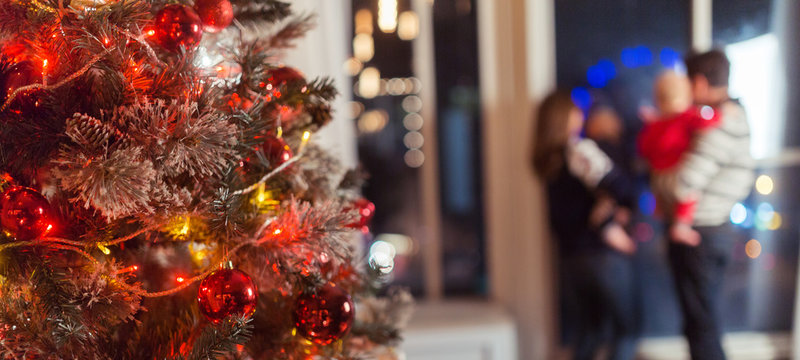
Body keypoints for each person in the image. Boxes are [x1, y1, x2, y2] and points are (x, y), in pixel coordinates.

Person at [533, 92, 637, 360]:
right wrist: (611, 216)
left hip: (571, 258)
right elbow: (622, 188)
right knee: (626, 330)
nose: (581, 116)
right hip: (599, 256)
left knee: (590, 333)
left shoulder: (546, 158)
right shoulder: (579, 150)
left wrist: (604, 206)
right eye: (575, 111)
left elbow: (565, 214)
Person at [667, 50, 755, 360]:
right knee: (703, 319)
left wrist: (663, 174)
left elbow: (683, 182)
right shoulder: (736, 116)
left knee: (701, 324)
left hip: (701, 233)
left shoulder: (720, 123)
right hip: (716, 228)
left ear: (700, 83)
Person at [638, 70, 721, 246]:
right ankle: (681, 227)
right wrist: (716, 113)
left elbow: (643, 148)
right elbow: (707, 119)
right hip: (677, 172)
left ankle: (659, 209)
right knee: (689, 194)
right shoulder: (685, 116)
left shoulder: (655, 124)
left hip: (658, 175)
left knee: (664, 200)